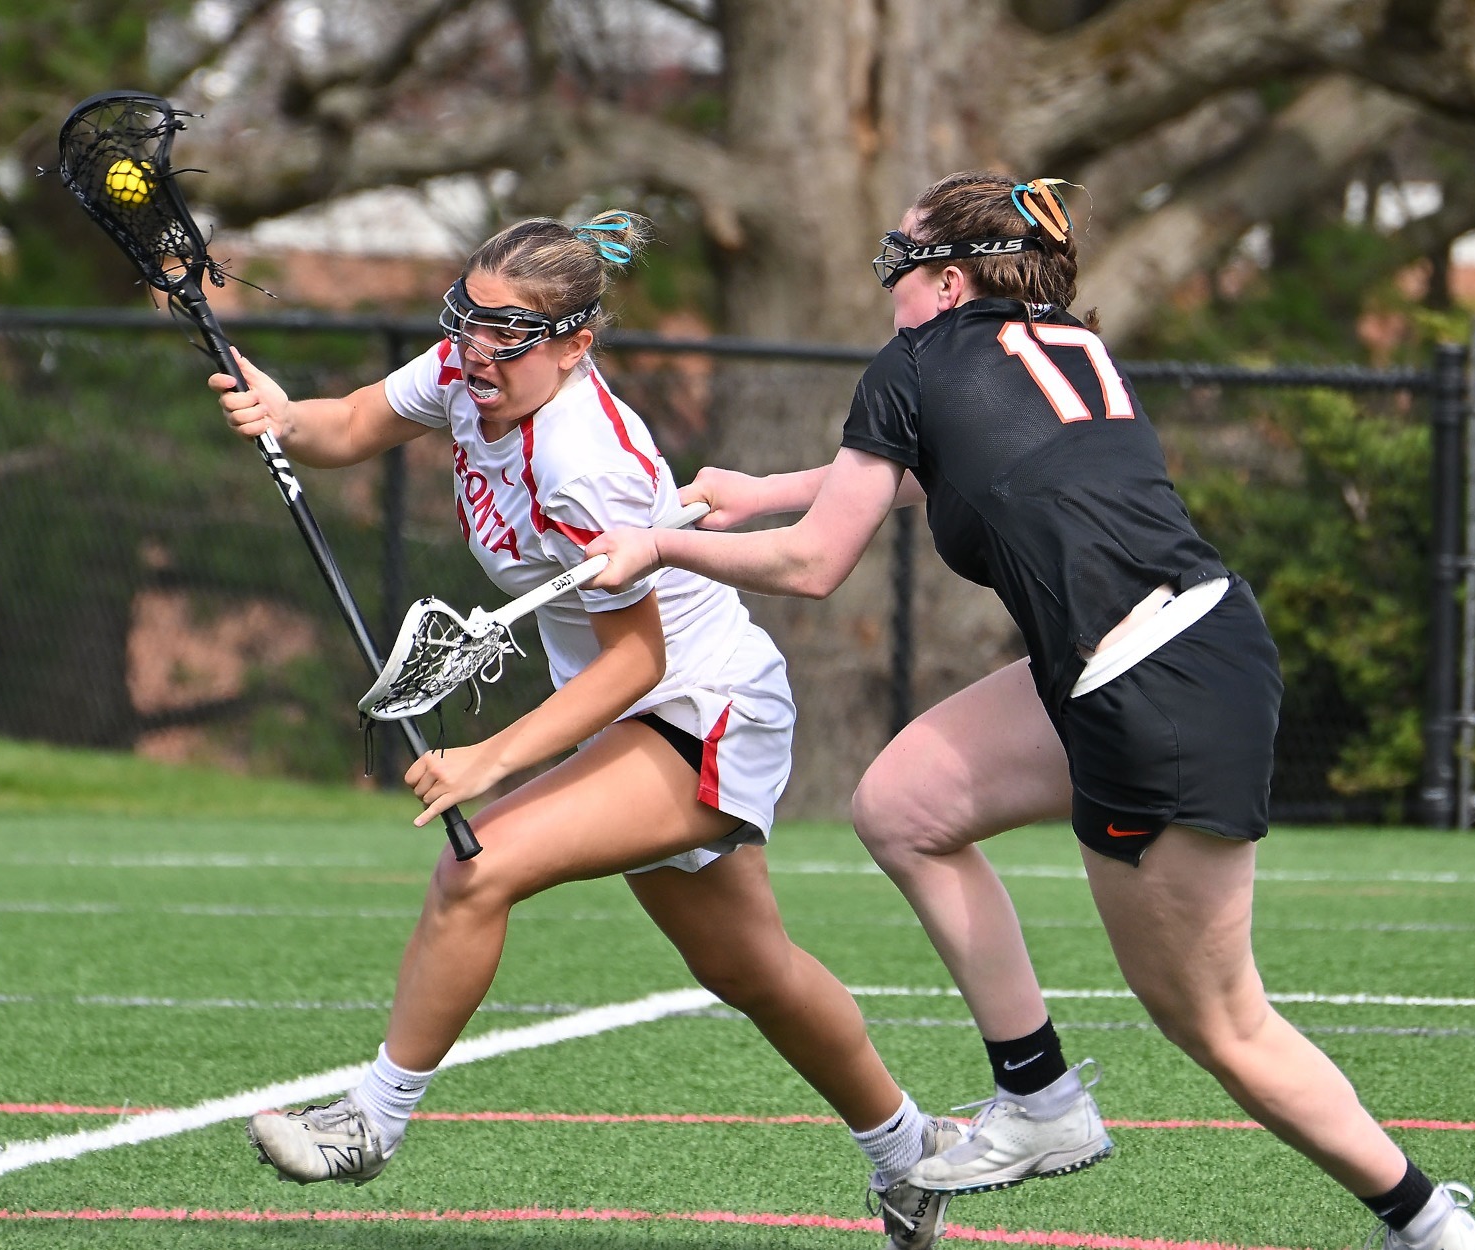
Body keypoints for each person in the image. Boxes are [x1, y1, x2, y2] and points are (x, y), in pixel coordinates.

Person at [585, 173, 1475, 1250]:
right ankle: (1037, 1094)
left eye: (900, 259)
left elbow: (815, 561)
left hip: (1142, 684)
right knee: (903, 803)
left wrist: (657, 545)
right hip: (1169, 647)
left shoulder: (916, 361)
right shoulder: (1062, 342)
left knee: (1217, 1020)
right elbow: (969, 467)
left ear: (943, 278)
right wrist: (770, 484)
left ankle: (1426, 1220)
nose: (888, 281)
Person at [210, 211, 962, 1250]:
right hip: (628, 710)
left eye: (507, 334)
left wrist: (490, 756)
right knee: (749, 969)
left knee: (477, 868)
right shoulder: (465, 370)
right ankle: (912, 1153)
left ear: (575, 341)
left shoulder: (583, 462)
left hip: (700, 707)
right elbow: (343, 428)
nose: (476, 351)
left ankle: (368, 1122)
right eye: (466, 321)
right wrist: (282, 414)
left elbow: (637, 661)